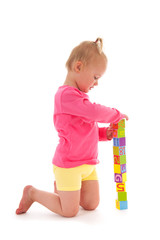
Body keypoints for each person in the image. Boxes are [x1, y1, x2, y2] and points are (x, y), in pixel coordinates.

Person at [16, 38, 129, 218]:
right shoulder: (66, 96)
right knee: (69, 211)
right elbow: (94, 112)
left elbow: (85, 129)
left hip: (88, 163)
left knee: (91, 204)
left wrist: (104, 133)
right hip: (69, 165)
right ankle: (33, 193)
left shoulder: (79, 99)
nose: (96, 83)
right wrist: (116, 114)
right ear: (78, 67)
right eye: (95, 77)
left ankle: (62, 191)